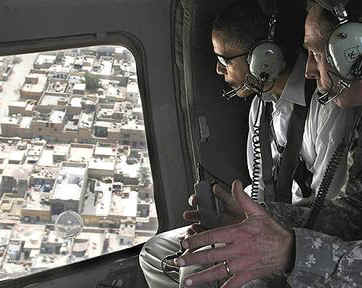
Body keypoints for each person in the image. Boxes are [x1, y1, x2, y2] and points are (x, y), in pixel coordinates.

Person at [139, 1, 353, 287]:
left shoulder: (329, 107)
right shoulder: (260, 108)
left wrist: (273, 234)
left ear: (265, 59)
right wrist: (240, 216)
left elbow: (332, 208)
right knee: (155, 252)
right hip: (279, 225)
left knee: (202, 273)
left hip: (305, 237)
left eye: (225, 60)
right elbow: (259, 185)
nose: (218, 69)